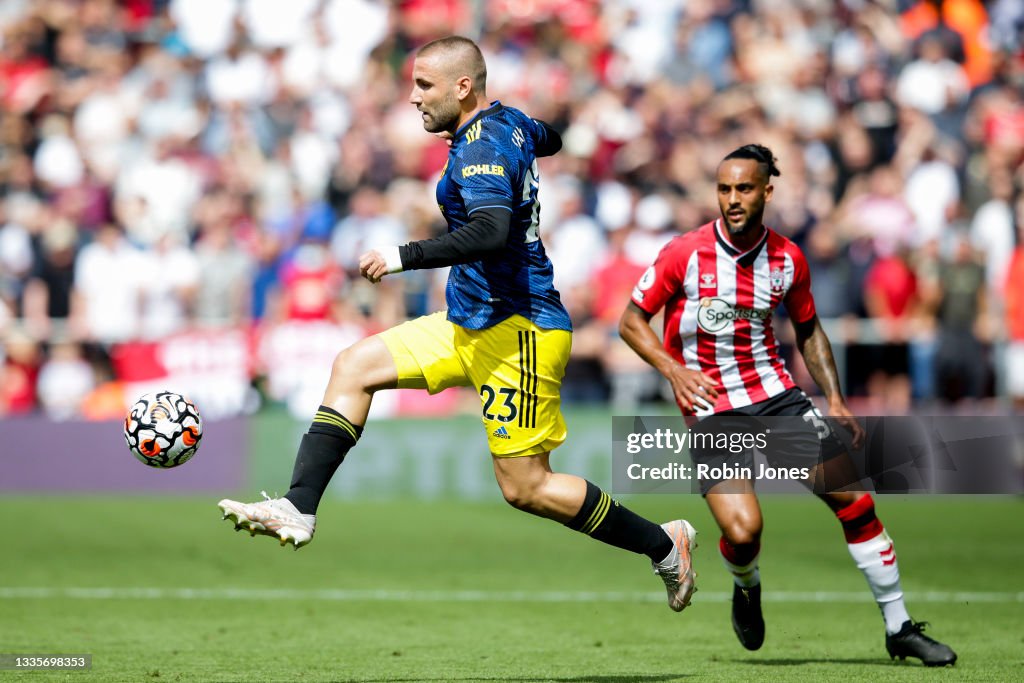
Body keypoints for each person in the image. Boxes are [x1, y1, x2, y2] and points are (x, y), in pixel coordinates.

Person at [218, 36, 696, 612]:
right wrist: (531, 128)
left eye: (424, 85)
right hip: (468, 320)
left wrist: (403, 256)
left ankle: (663, 544)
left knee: (528, 488)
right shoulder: (506, 125)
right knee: (354, 366)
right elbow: (553, 137)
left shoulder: (481, 147)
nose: (414, 97)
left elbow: (492, 229)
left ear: (462, 87)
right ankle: (299, 505)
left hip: (520, 331)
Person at [618, 144, 958, 665]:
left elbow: (810, 330)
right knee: (744, 531)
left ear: (766, 191)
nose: (733, 199)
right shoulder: (684, 253)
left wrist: (837, 400)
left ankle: (899, 627)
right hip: (712, 407)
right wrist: (673, 369)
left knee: (856, 502)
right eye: (725, 189)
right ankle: (746, 584)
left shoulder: (787, 258)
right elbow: (630, 320)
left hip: (778, 398)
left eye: (744, 188)